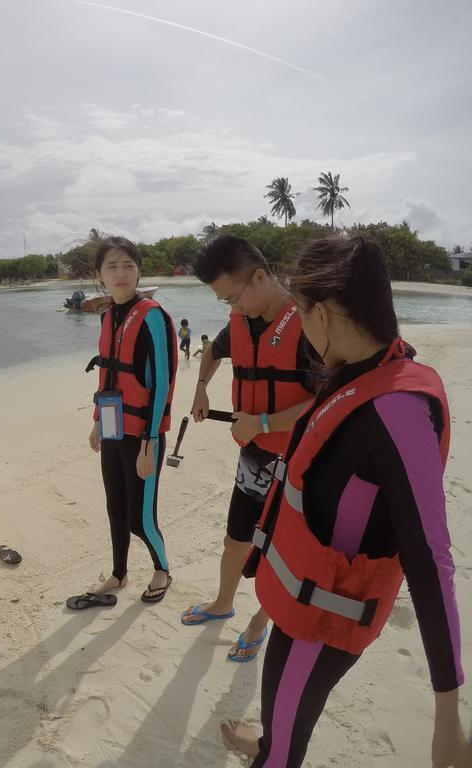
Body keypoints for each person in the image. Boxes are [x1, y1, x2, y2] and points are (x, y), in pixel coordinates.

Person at [220, 235, 470, 768]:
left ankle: (273, 750)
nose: (300, 327)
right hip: (299, 601)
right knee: (281, 711)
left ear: (326, 314)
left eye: (302, 312)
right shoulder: (356, 371)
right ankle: (270, 740)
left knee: (282, 752)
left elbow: (432, 560)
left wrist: (448, 718)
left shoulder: (398, 412)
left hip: (324, 621)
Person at [182, 235, 319, 663]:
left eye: (233, 298)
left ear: (260, 278)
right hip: (254, 459)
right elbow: (213, 350)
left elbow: (328, 401)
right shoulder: (241, 321)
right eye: (224, 302)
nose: (231, 309)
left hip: (298, 463)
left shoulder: (310, 325)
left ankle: (260, 622)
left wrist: (262, 422)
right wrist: (202, 387)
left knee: (285, 554)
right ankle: (223, 603)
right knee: (235, 539)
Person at [69, 237, 177, 609]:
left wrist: (150, 441)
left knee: (141, 518)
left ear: (139, 270)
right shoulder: (107, 316)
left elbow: (161, 381)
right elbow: (107, 377)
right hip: (114, 426)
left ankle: (162, 569)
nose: (121, 273)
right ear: (100, 276)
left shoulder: (152, 316)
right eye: (112, 267)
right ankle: (119, 574)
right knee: (115, 507)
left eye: (128, 265)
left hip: (144, 433)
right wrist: (98, 421)